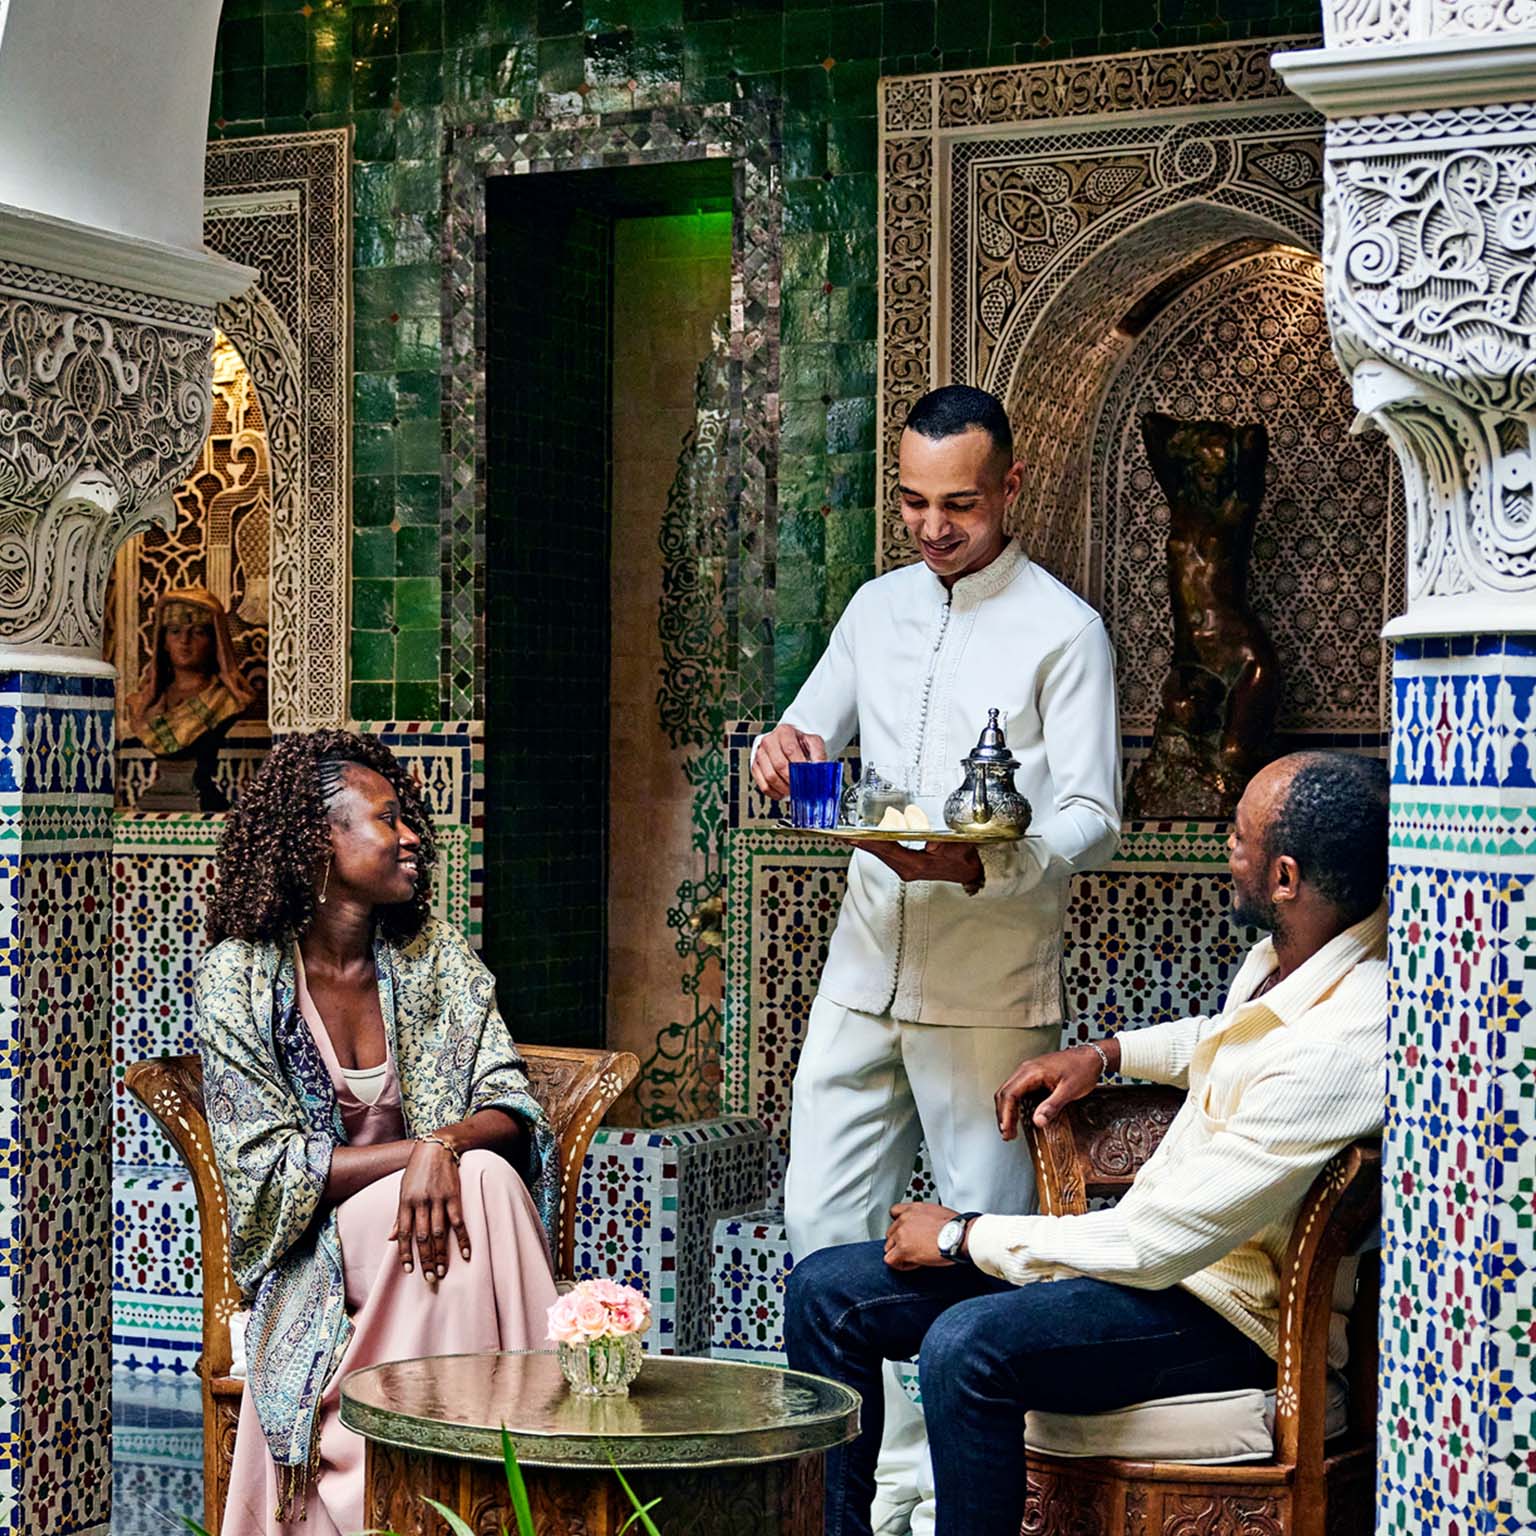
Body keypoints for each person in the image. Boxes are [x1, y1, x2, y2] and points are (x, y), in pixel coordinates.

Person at [784, 751, 1391, 1536]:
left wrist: (966, 1236)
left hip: (1223, 1320)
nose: (1222, 849)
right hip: (1154, 1281)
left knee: (968, 1346)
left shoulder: (1349, 1037)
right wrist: (1106, 1054)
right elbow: (1222, 1041)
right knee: (828, 1291)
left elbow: (1157, 1244)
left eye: (1237, 839)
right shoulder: (1294, 959)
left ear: (1283, 877)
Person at [752, 384, 1121, 1529]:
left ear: (1009, 489)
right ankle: (842, 1493)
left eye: (958, 503)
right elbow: (812, 752)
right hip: (862, 972)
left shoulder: (1065, 629)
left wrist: (985, 871)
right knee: (821, 1229)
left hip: (991, 989)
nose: (931, 526)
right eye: (912, 502)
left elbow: (1095, 814)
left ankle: (924, 1488)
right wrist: (784, 756)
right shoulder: (873, 609)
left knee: (971, 1246)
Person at [195, 730, 560, 1535]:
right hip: (316, 1249)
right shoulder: (240, 976)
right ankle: (511, 1473)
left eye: (408, 819)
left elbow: (511, 1104)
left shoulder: (433, 957)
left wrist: (448, 1148)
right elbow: (270, 1171)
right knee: (483, 1185)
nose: (411, 836)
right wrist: (425, 1152)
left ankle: (433, 1485)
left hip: (440, 1225)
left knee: (489, 1179)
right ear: (318, 840)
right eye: (387, 819)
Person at [127, 585, 255, 811]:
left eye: (197, 632)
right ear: (164, 641)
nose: (184, 641)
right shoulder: (143, 704)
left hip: (203, 799)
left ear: (214, 641)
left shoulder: (226, 701)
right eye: (175, 631)